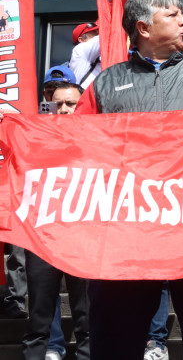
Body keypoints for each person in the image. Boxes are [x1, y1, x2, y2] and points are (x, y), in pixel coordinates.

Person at [74, 0, 183, 360]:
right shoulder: (105, 83)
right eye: (172, 15)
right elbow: (76, 148)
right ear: (143, 27)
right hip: (125, 231)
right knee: (114, 342)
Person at [22, 79, 90, 360]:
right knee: (39, 318)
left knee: (87, 318)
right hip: (43, 239)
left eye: (71, 104)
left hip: (85, 237)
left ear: (84, 105)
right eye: (57, 104)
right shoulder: (33, 139)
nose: (63, 109)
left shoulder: (100, 140)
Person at [70, 22, 101, 90]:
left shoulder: (97, 54)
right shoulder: (79, 49)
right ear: (82, 39)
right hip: (85, 94)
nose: (98, 35)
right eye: (95, 34)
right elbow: (104, 36)